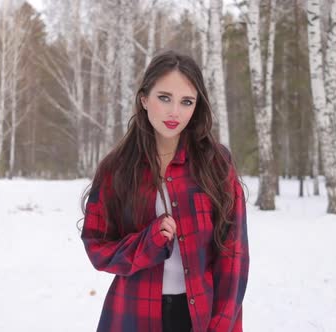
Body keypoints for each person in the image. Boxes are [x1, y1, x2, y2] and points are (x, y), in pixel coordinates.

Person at [80, 50, 249, 332]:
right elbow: (97, 247)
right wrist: (147, 243)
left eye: (186, 102)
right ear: (144, 98)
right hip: (133, 315)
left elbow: (234, 255)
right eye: (164, 98)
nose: (174, 112)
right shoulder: (117, 168)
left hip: (200, 318)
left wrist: (221, 325)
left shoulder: (216, 164)